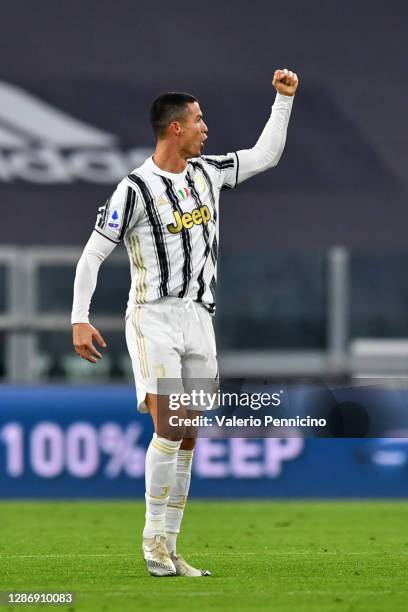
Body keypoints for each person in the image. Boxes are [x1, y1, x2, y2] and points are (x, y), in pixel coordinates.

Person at [71, 67, 298, 577]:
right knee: (171, 424)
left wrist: (283, 102)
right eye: (199, 120)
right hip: (153, 317)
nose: (206, 128)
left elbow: (265, 157)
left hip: (200, 317)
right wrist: (78, 319)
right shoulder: (134, 190)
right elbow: (91, 257)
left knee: (190, 435)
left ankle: (172, 547)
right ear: (175, 128)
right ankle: (151, 541)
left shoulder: (207, 172)